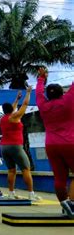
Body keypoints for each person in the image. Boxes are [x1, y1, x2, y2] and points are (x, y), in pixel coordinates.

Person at [35, 67, 74, 217]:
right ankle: (72, 205)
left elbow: (38, 93)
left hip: (51, 145)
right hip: (70, 143)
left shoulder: (43, 105)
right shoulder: (68, 100)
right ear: (62, 93)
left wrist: (41, 78)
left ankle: (65, 205)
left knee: (59, 178)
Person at [0, 88, 41, 201]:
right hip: (15, 146)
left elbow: (12, 109)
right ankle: (31, 194)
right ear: (12, 110)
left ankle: (11, 193)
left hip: (4, 147)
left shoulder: (3, 119)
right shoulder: (15, 117)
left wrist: (16, 99)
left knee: (11, 170)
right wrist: (28, 93)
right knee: (26, 169)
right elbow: (26, 104)